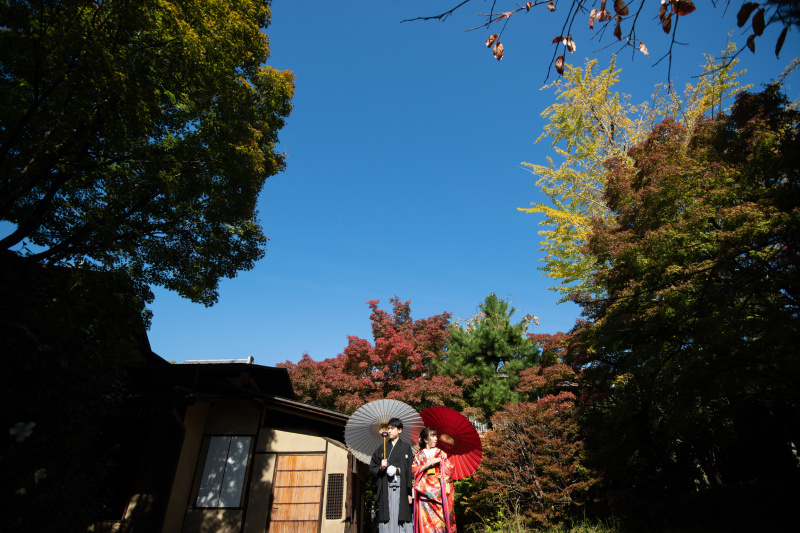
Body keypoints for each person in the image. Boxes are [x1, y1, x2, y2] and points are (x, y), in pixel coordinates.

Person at [369, 417, 413, 533]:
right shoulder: (382, 448)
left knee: (401, 512)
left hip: (402, 485)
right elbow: (373, 466)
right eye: (388, 428)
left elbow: (410, 469)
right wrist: (381, 467)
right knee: (387, 513)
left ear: (399, 430)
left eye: (392, 428)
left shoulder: (406, 447)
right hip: (386, 485)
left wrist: (410, 491)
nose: (389, 431)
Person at [412, 427, 456, 533]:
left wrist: (441, 463)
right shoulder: (419, 455)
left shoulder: (441, 454)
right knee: (425, 524)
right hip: (424, 493)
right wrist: (427, 464)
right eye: (432, 436)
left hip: (439, 494)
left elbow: (449, 469)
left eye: (436, 436)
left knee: (441, 524)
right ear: (426, 440)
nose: (436, 438)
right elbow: (413, 471)